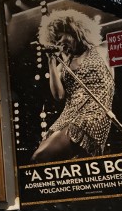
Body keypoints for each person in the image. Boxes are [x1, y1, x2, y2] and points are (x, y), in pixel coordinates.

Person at [31, 9, 115, 162]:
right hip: (67, 116)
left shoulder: (103, 50)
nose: (59, 43)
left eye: (60, 37)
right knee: (43, 160)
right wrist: (51, 61)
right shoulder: (63, 66)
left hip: (93, 114)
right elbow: (58, 96)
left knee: (40, 157)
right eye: (55, 41)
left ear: (74, 30)